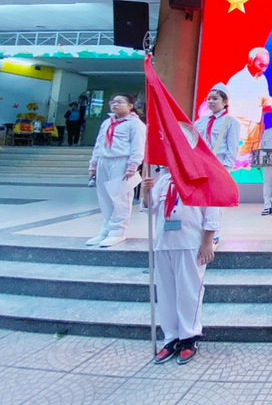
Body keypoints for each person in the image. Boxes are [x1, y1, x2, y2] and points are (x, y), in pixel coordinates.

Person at [142, 167, 219, 365]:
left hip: (189, 243)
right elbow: (151, 208)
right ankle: (171, 337)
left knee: (189, 291)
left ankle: (189, 337)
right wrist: (145, 192)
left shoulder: (201, 178)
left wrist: (208, 241)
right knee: (166, 293)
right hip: (164, 243)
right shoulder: (164, 180)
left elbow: (212, 209)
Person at [87, 93, 146, 248]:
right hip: (104, 160)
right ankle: (106, 229)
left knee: (120, 198)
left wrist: (133, 166)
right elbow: (99, 144)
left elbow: (138, 146)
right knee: (104, 197)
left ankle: (117, 231)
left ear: (130, 106)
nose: (115, 104)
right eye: (113, 102)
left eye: (119, 102)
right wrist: (93, 165)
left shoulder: (135, 124)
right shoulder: (107, 122)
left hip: (121, 161)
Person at [193, 83, 240, 247]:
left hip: (219, 166)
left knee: (215, 203)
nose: (211, 102)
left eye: (215, 99)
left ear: (225, 102)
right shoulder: (200, 122)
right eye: (209, 99)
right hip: (201, 166)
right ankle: (201, 234)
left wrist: (226, 169)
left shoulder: (231, 122)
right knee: (200, 202)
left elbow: (232, 147)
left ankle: (214, 236)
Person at [225, 47, 272, 168]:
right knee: (238, 170)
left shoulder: (262, 78)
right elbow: (232, 108)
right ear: (251, 61)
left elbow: (265, 97)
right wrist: (262, 110)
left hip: (258, 133)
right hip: (241, 135)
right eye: (261, 65)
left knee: (257, 170)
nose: (264, 69)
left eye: (266, 66)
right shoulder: (237, 80)